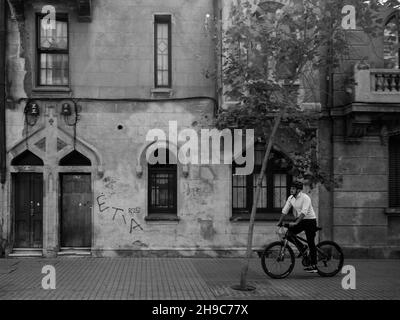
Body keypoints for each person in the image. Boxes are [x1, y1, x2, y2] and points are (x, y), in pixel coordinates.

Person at [277, 181, 318, 273]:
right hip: (301, 220)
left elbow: (304, 212)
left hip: (310, 221)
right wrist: (279, 222)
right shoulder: (291, 198)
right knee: (289, 234)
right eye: (291, 188)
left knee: (311, 242)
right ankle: (303, 248)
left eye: (293, 188)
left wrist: (296, 223)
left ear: (298, 190)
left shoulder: (305, 198)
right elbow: (285, 211)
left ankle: (314, 265)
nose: (291, 190)